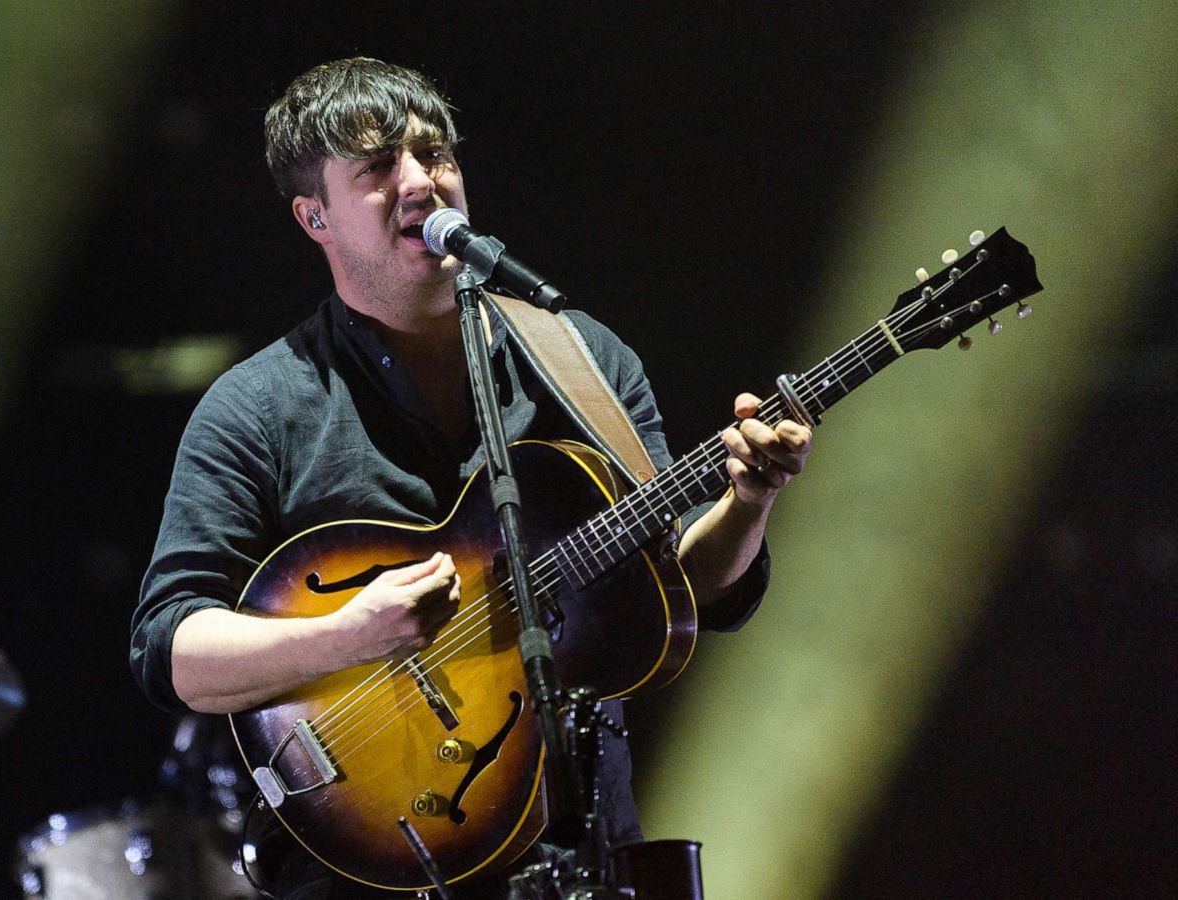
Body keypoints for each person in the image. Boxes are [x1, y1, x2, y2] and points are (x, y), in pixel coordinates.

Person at [130, 57, 812, 899]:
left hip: (583, 847)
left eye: (437, 155)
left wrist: (749, 500)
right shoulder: (258, 408)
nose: (422, 183)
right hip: (366, 870)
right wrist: (350, 635)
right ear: (315, 216)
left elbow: (683, 588)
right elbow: (172, 653)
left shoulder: (581, 358)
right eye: (379, 167)